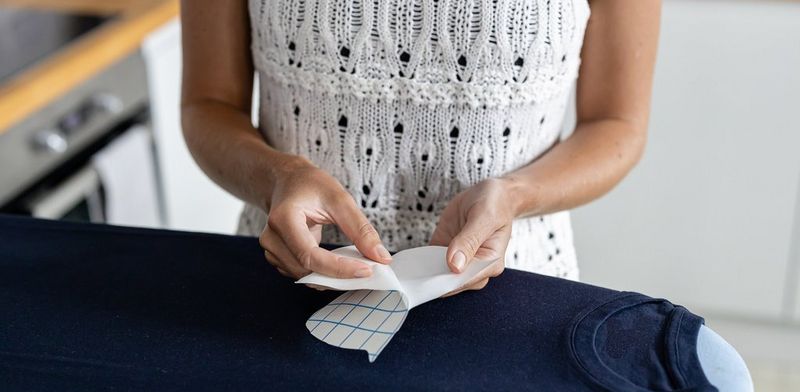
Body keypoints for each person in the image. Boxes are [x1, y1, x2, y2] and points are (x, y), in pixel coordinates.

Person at [180, 0, 660, 294]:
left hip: (512, 289)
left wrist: (516, 194)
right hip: (289, 284)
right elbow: (208, 102)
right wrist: (275, 177)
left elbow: (615, 123)